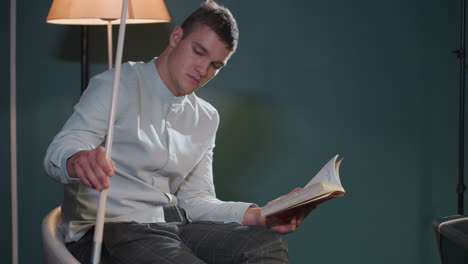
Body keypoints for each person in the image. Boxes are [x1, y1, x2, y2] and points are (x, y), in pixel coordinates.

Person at [44, 1, 312, 263]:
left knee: (265, 245)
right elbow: (64, 146)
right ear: (176, 37)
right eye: (198, 51)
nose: (203, 70)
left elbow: (195, 201)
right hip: (110, 229)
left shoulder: (206, 117)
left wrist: (257, 214)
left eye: (215, 65)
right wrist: (76, 159)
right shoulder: (114, 86)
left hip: (170, 226)